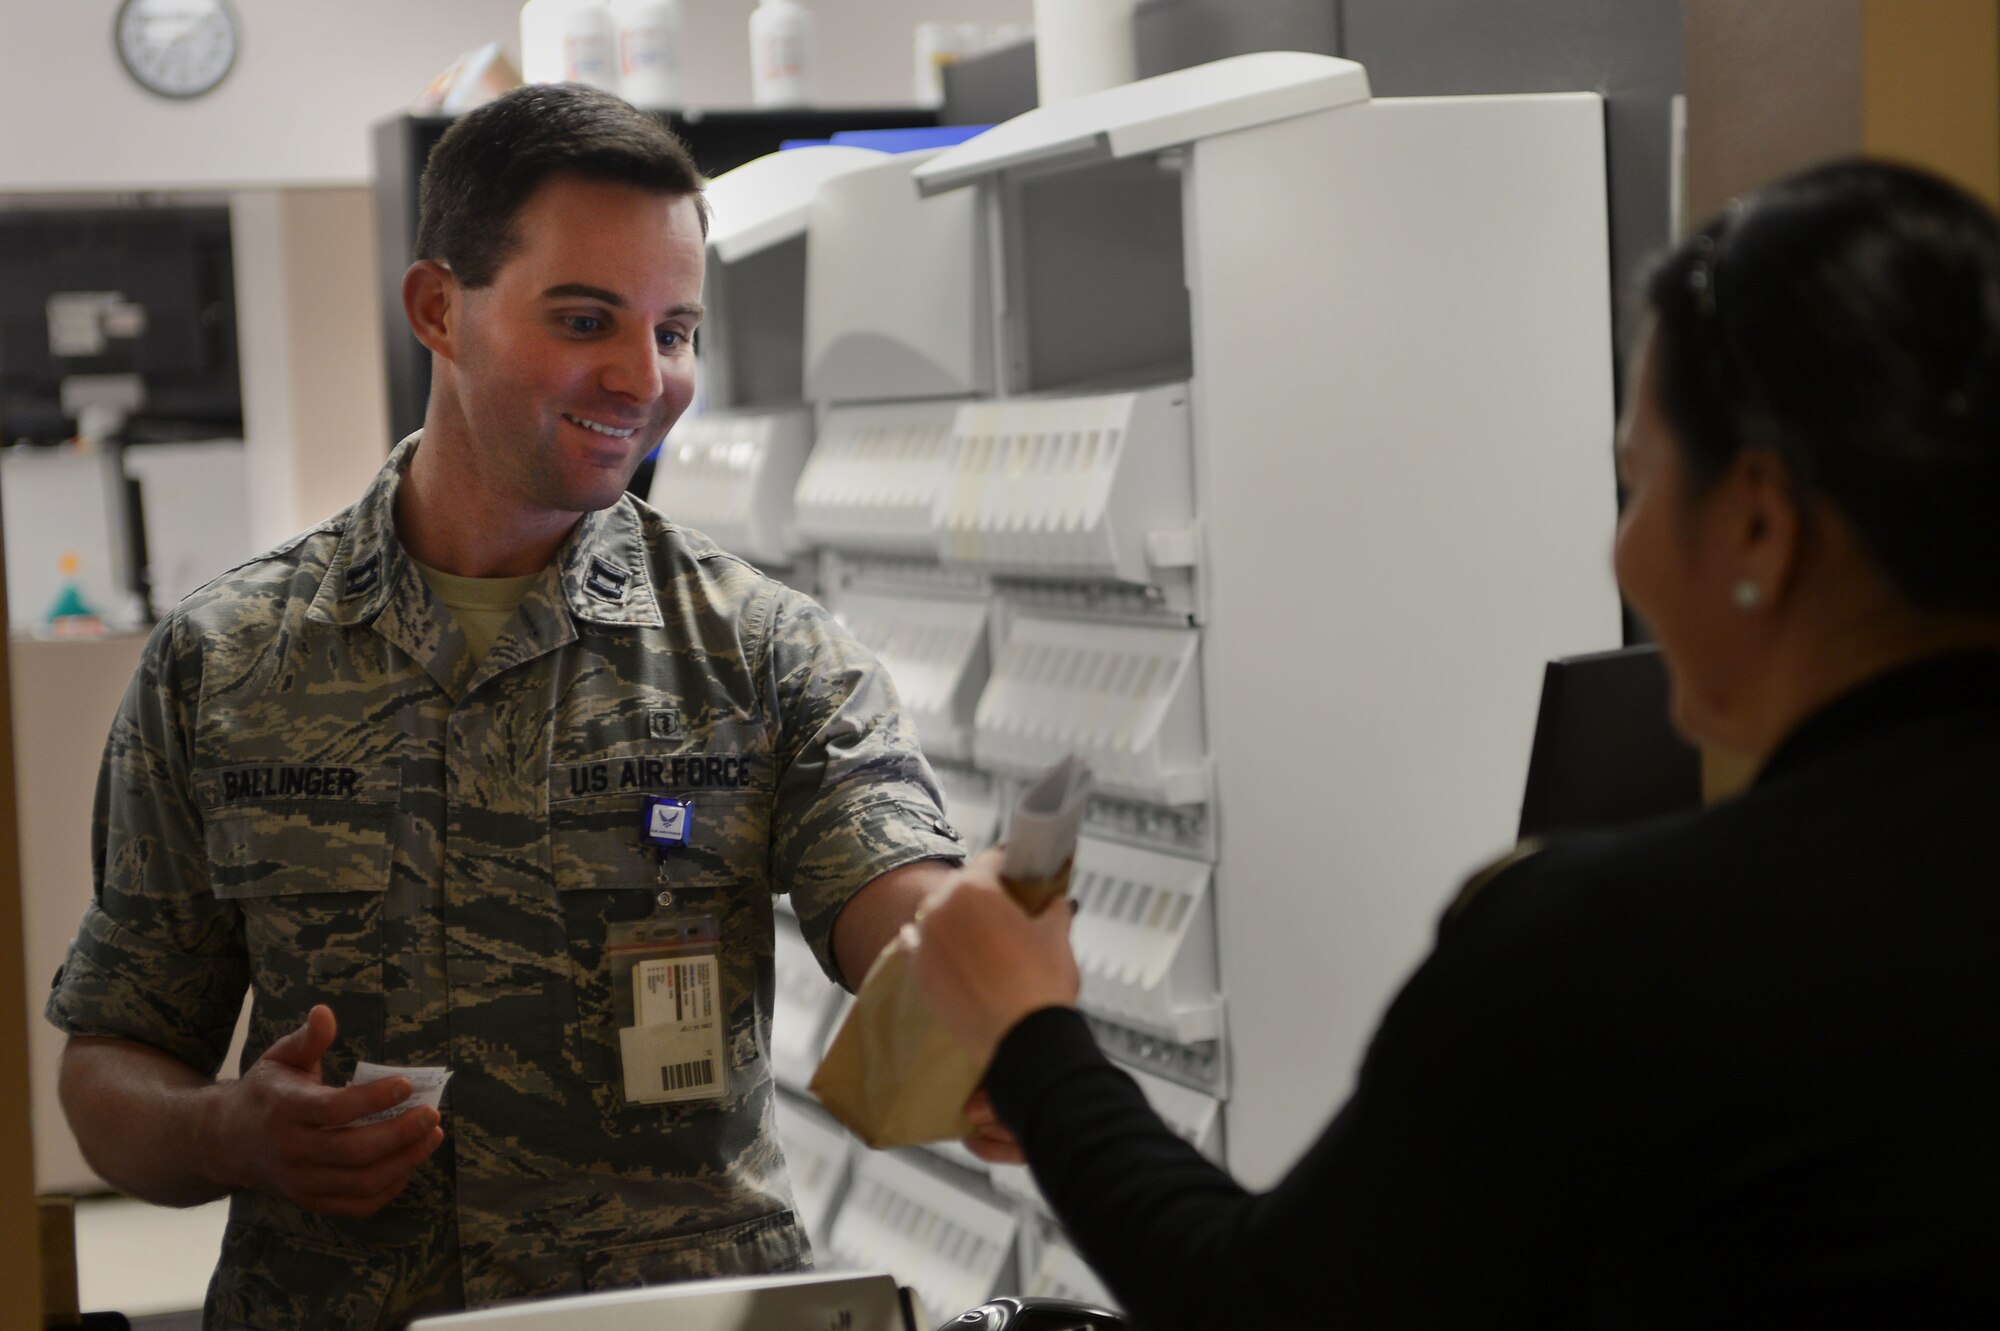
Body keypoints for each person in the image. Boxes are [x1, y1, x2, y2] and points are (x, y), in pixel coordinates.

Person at [911, 159, 2000, 1329]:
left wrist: (1027, 1030)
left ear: (1755, 523)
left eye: (1635, 486)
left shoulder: (1615, 953)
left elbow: (1257, 1304)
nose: (1622, 550)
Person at [45, 84, 968, 1328]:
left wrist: (980, 994)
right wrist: (227, 1131)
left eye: (676, 330)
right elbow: (110, 1066)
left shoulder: (762, 650)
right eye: (586, 319)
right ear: (439, 307)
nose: (643, 377)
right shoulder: (225, 661)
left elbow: (895, 901)